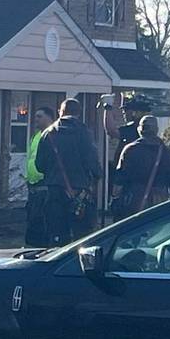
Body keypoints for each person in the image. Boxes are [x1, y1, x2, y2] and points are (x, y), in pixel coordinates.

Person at [35, 98, 101, 245]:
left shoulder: (48, 134)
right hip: (80, 191)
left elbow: (40, 164)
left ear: (60, 112)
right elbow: (93, 163)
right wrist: (95, 178)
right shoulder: (85, 133)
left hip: (55, 190)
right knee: (82, 235)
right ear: (78, 113)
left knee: (57, 232)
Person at [113, 115, 170, 219]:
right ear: (156, 130)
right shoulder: (166, 152)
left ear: (140, 130)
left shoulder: (130, 150)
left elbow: (120, 178)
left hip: (134, 199)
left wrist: (116, 197)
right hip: (159, 200)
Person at [24, 106, 56, 247]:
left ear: (49, 118)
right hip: (33, 184)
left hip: (45, 184)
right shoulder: (36, 136)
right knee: (33, 219)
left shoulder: (53, 135)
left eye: (39, 116)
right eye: (35, 116)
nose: (36, 119)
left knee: (42, 219)